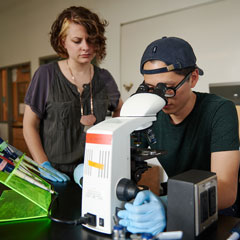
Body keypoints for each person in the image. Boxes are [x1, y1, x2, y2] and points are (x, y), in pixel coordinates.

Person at [117, 36, 240, 235]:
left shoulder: (219, 110)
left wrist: (167, 205)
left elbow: (226, 189)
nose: (160, 98)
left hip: (219, 209)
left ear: (193, 78)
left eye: (168, 88)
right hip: (176, 204)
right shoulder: (148, 110)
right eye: (151, 89)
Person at [23, 6, 123, 182]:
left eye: (91, 40)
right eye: (77, 41)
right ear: (63, 42)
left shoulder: (105, 78)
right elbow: (29, 125)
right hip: (55, 173)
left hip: (95, 170)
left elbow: (121, 111)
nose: (86, 47)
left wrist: (113, 140)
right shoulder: (46, 75)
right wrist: (43, 165)